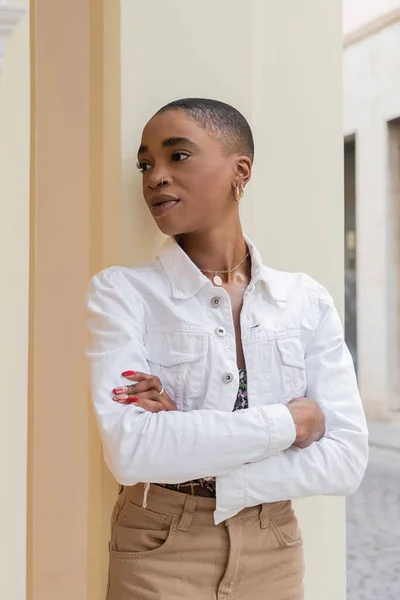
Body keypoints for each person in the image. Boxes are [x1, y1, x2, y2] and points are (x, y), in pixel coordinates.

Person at [86, 98, 369, 600]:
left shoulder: (305, 301)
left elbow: (346, 458)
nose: (155, 177)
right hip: (158, 543)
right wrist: (292, 422)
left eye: (178, 156)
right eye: (146, 164)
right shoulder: (121, 293)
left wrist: (185, 437)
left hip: (274, 544)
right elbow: (132, 452)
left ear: (240, 170)